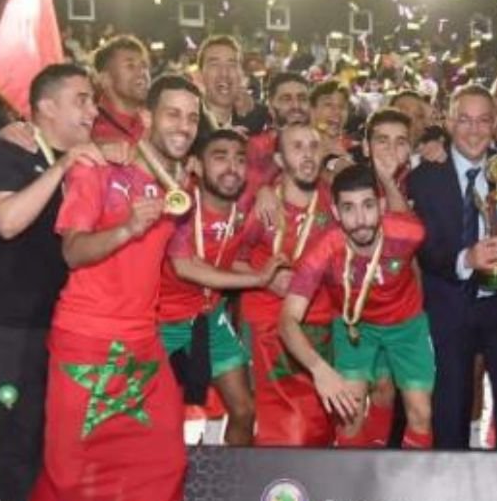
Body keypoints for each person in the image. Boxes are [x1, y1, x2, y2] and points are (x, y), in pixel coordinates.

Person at [19, 74, 204, 501]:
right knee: (68, 472)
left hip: (141, 343)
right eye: (172, 114)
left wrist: (256, 277)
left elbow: (181, 260)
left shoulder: (180, 189)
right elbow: (73, 251)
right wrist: (127, 227)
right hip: (84, 339)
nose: (184, 126)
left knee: (168, 461)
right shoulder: (97, 168)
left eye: (192, 117)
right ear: (146, 118)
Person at [0, 65, 103, 501]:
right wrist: (62, 166)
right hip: (13, 322)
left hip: (71, 320)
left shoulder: (88, 158)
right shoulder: (6, 153)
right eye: (82, 99)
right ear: (46, 107)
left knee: (61, 438)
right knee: (19, 438)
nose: (93, 110)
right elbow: (7, 222)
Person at [407, 85, 497, 449]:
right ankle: (450, 484)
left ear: (494, 125)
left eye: (483, 121)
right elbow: (422, 246)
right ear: (448, 122)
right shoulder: (424, 177)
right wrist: (467, 259)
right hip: (447, 307)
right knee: (449, 413)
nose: (474, 130)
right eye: (464, 120)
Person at [281, 164, 435, 448]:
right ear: (336, 212)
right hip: (355, 327)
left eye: (368, 205)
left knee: (421, 413)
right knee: (348, 414)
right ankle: (359, 473)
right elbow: (287, 320)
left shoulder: (409, 233)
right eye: (349, 208)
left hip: (407, 325)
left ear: (381, 206)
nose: (361, 219)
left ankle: (395, 468)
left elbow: (417, 265)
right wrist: (319, 370)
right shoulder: (324, 250)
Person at [158, 129, 285, 446]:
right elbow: (186, 268)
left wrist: (266, 188)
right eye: (220, 157)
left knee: (244, 411)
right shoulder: (180, 205)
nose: (232, 167)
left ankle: (229, 475)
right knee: (159, 419)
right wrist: (260, 279)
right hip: (162, 322)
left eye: (240, 160)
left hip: (209, 318)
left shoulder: (245, 205)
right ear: (197, 166)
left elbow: (280, 156)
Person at [234, 122, 338, 448]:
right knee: (282, 423)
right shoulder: (264, 207)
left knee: (319, 420)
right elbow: (232, 261)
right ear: (279, 160)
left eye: (313, 146)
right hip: (267, 323)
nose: (307, 155)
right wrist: (266, 280)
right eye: (297, 147)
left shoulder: (335, 203)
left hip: (319, 320)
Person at [90, 35, 150, 144]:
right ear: (105, 79)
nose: (142, 72)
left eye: (144, 66)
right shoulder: (92, 133)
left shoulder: (151, 124)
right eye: (130, 66)